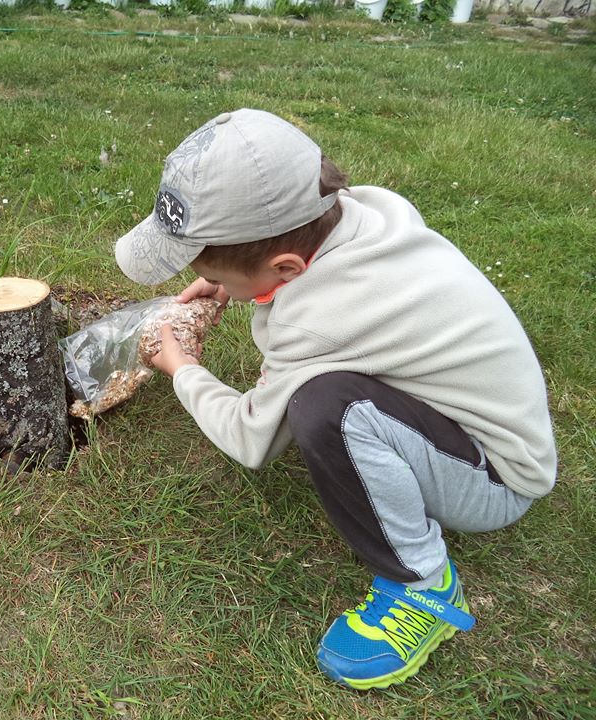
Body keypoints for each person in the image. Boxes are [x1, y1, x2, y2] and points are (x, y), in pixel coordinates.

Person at [113, 108, 557, 690]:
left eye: (210, 267)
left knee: (326, 408)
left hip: (497, 478)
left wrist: (184, 369)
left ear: (287, 268)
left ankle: (423, 586)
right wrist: (235, 277)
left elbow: (252, 437)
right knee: (327, 400)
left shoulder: (319, 320)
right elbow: (294, 271)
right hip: (469, 425)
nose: (209, 282)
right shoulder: (363, 213)